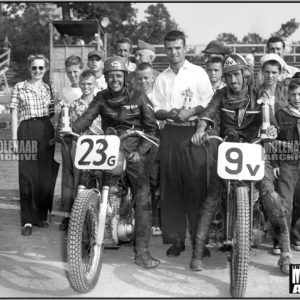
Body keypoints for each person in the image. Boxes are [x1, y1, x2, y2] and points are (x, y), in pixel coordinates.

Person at [190, 53, 293, 275]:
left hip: (255, 150)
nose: (233, 81)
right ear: (224, 78)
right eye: (228, 76)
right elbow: (208, 113)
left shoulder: (260, 94)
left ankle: (286, 253)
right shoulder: (220, 95)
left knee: (270, 195)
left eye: (236, 75)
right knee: (212, 197)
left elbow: (270, 121)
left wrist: (272, 129)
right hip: (228, 150)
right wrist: (200, 130)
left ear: (244, 74)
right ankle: (197, 252)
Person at [70, 56, 160, 269]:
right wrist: (71, 129)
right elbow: (87, 118)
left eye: (118, 75)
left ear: (125, 76)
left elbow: (153, 131)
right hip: (110, 148)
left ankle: (142, 251)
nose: (115, 80)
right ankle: (88, 233)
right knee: (92, 181)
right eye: (111, 76)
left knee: (142, 193)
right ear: (107, 77)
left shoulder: (139, 97)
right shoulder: (101, 97)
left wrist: (140, 151)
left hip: (134, 151)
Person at [151, 30, 214, 257]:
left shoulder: (198, 73)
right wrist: (170, 113)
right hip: (170, 133)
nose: (174, 52)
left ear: (185, 48)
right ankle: (176, 241)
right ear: (164, 50)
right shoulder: (161, 78)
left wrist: (191, 111)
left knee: (197, 188)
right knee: (171, 189)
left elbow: (209, 101)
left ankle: (200, 241)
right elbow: (155, 109)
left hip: (193, 135)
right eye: (169, 48)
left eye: (178, 48)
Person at [10, 54, 59, 236]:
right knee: (27, 176)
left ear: (45, 69)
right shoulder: (19, 87)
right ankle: (27, 221)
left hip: (46, 129)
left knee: (44, 175)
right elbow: (14, 115)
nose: (37, 71)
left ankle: (39, 216)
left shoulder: (48, 88)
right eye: (34, 68)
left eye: (41, 68)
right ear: (29, 68)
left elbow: (52, 113)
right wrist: (14, 141)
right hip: (27, 129)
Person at [57, 69, 103, 231]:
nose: (86, 87)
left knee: (97, 181)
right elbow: (64, 127)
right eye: (83, 84)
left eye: (89, 84)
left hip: (99, 148)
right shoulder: (73, 105)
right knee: (78, 182)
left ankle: (95, 215)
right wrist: (63, 128)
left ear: (95, 84)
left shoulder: (101, 104)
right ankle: (76, 216)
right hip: (80, 147)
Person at [273, 75, 300, 252]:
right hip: (287, 164)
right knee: (285, 203)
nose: (297, 98)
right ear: (288, 95)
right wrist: (275, 162)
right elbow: (272, 140)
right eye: (293, 94)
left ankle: (296, 236)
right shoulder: (281, 114)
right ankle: (281, 240)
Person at [57, 55, 84, 231]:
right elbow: (60, 115)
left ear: (81, 70)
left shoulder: (89, 87)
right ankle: (67, 215)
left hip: (83, 138)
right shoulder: (64, 92)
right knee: (67, 176)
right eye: (69, 73)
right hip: (68, 138)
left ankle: (80, 213)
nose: (72, 75)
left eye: (75, 71)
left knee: (82, 175)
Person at [136, 62, 162, 236]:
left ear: (153, 77)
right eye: (139, 78)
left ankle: (156, 220)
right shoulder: (133, 95)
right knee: (139, 181)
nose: (143, 81)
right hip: (137, 142)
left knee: (155, 182)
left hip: (156, 143)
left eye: (146, 77)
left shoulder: (159, 96)